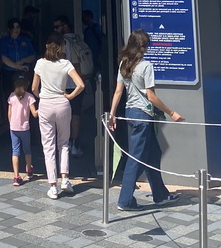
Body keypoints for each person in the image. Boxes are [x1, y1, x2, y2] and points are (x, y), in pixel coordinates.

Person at [108, 29, 184, 212]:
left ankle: (161, 195)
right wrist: (171, 112)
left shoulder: (124, 65)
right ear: (144, 46)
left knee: (153, 153)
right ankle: (125, 200)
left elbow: (119, 92)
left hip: (130, 114)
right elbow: (151, 96)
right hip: (143, 116)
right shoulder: (146, 66)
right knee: (135, 159)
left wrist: (112, 114)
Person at [31, 32, 85, 199]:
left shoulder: (40, 63)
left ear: (47, 46)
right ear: (61, 47)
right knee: (64, 143)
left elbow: (33, 88)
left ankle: (53, 185)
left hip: (46, 104)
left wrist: (42, 97)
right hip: (62, 103)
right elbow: (81, 85)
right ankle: (65, 179)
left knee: (48, 146)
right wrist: (70, 96)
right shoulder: (66, 63)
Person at [53, 15, 91, 157]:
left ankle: (66, 143)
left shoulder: (64, 42)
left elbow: (61, 59)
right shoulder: (77, 38)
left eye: (57, 26)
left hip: (66, 83)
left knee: (64, 115)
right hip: (78, 82)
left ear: (65, 26)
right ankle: (75, 143)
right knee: (76, 114)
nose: (55, 30)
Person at [7, 76, 37, 186]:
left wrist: (11, 123)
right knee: (27, 149)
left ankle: (16, 176)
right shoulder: (29, 97)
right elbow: (34, 113)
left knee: (15, 151)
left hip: (13, 128)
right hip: (25, 128)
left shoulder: (12, 96)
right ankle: (29, 169)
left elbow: (9, 113)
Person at [0, 18, 35, 104]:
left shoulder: (26, 40)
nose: (16, 30)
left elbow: (32, 56)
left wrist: (23, 60)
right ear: (9, 30)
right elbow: (4, 58)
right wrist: (16, 66)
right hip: (8, 73)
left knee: (24, 97)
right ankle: (9, 117)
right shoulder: (4, 41)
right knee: (9, 98)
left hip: (23, 72)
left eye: (17, 27)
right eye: (13, 27)